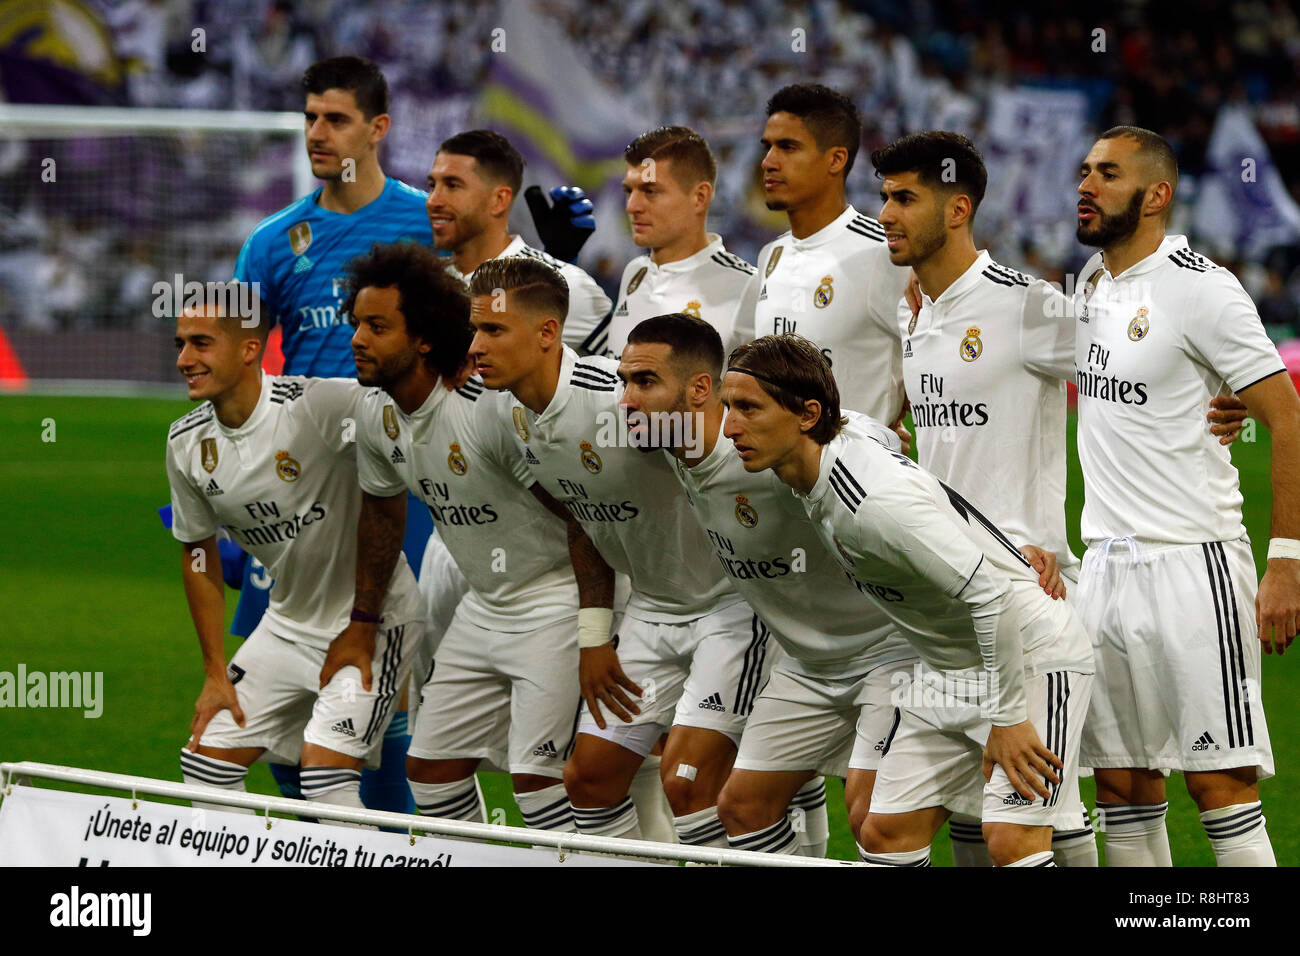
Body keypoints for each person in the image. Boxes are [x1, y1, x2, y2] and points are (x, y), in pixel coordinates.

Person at [722, 334, 1095, 866]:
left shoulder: (873, 506)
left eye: (748, 409)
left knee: (1014, 840)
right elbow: (881, 433)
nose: (731, 426)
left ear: (807, 415)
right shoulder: (836, 440)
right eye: (728, 407)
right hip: (944, 666)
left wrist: (1008, 719)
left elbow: (991, 597)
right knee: (884, 832)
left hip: (1030, 657)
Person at [465, 256, 765, 847]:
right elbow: (582, 516)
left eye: (492, 330)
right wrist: (595, 635)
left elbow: (724, 439)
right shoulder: (507, 411)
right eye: (474, 329)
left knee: (688, 782)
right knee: (589, 779)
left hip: (728, 610)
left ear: (548, 334)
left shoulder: (621, 402)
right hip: (651, 613)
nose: (475, 346)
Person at [1072, 126, 1300, 866]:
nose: (1086, 185)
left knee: (1220, 784)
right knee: (1124, 786)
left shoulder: (1201, 286)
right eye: (1085, 171)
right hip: (1104, 567)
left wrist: (1286, 563)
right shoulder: (1089, 284)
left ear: (1156, 194)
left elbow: (1287, 418)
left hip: (1192, 568)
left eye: (1107, 173)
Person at [617, 312, 919, 857]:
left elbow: (857, 434)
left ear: (697, 391)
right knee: (741, 806)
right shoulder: (675, 445)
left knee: (872, 816)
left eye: (643, 383)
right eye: (624, 383)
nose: (625, 403)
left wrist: (886, 444)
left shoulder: (765, 443)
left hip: (888, 650)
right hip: (808, 664)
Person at [339, 241, 613, 833]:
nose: (358, 338)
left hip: (554, 600)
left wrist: (595, 635)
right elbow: (382, 513)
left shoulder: (487, 409)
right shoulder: (374, 413)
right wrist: (362, 621)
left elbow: (582, 519)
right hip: (484, 605)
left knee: (539, 782)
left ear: (425, 340)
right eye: (356, 322)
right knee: (430, 771)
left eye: (378, 326)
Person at [228, 55, 432, 809]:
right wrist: (229, 496)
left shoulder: (423, 222)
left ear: (377, 128)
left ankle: (399, 842)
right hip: (295, 499)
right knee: (272, 710)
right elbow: (235, 370)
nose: (318, 132)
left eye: (336, 118)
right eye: (310, 116)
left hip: (402, 486)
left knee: (379, 689)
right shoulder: (273, 242)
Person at [166, 292, 422, 820]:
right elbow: (197, 553)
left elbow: (403, 399)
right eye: (180, 344)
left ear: (248, 350)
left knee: (326, 779)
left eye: (200, 344)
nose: (184, 360)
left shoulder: (317, 405)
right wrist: (215, 669)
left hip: (376, 622)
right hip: (288, 622)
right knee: (204, 765)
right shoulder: (186, 444)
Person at [740, 84, 910, 426]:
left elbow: (937, 363)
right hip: (782, 478)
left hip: (857, 475)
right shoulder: (771, 256)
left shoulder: (883, 252)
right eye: (767, 147)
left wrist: (884, 434)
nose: (768, 162)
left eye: (788, 147)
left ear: (836, 159)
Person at [430, 129, 612, 356]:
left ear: (499, 200)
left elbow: (625, 378)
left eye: (452, 185)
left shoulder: (564, 286)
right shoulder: (422, 284)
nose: (433, 200)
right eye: (432, 185)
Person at [604, 126, 756, 359]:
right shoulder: (636, 274)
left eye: (650, 191)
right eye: (629, 191)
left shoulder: (747, 288)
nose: (632, 206)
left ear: (700, 197)